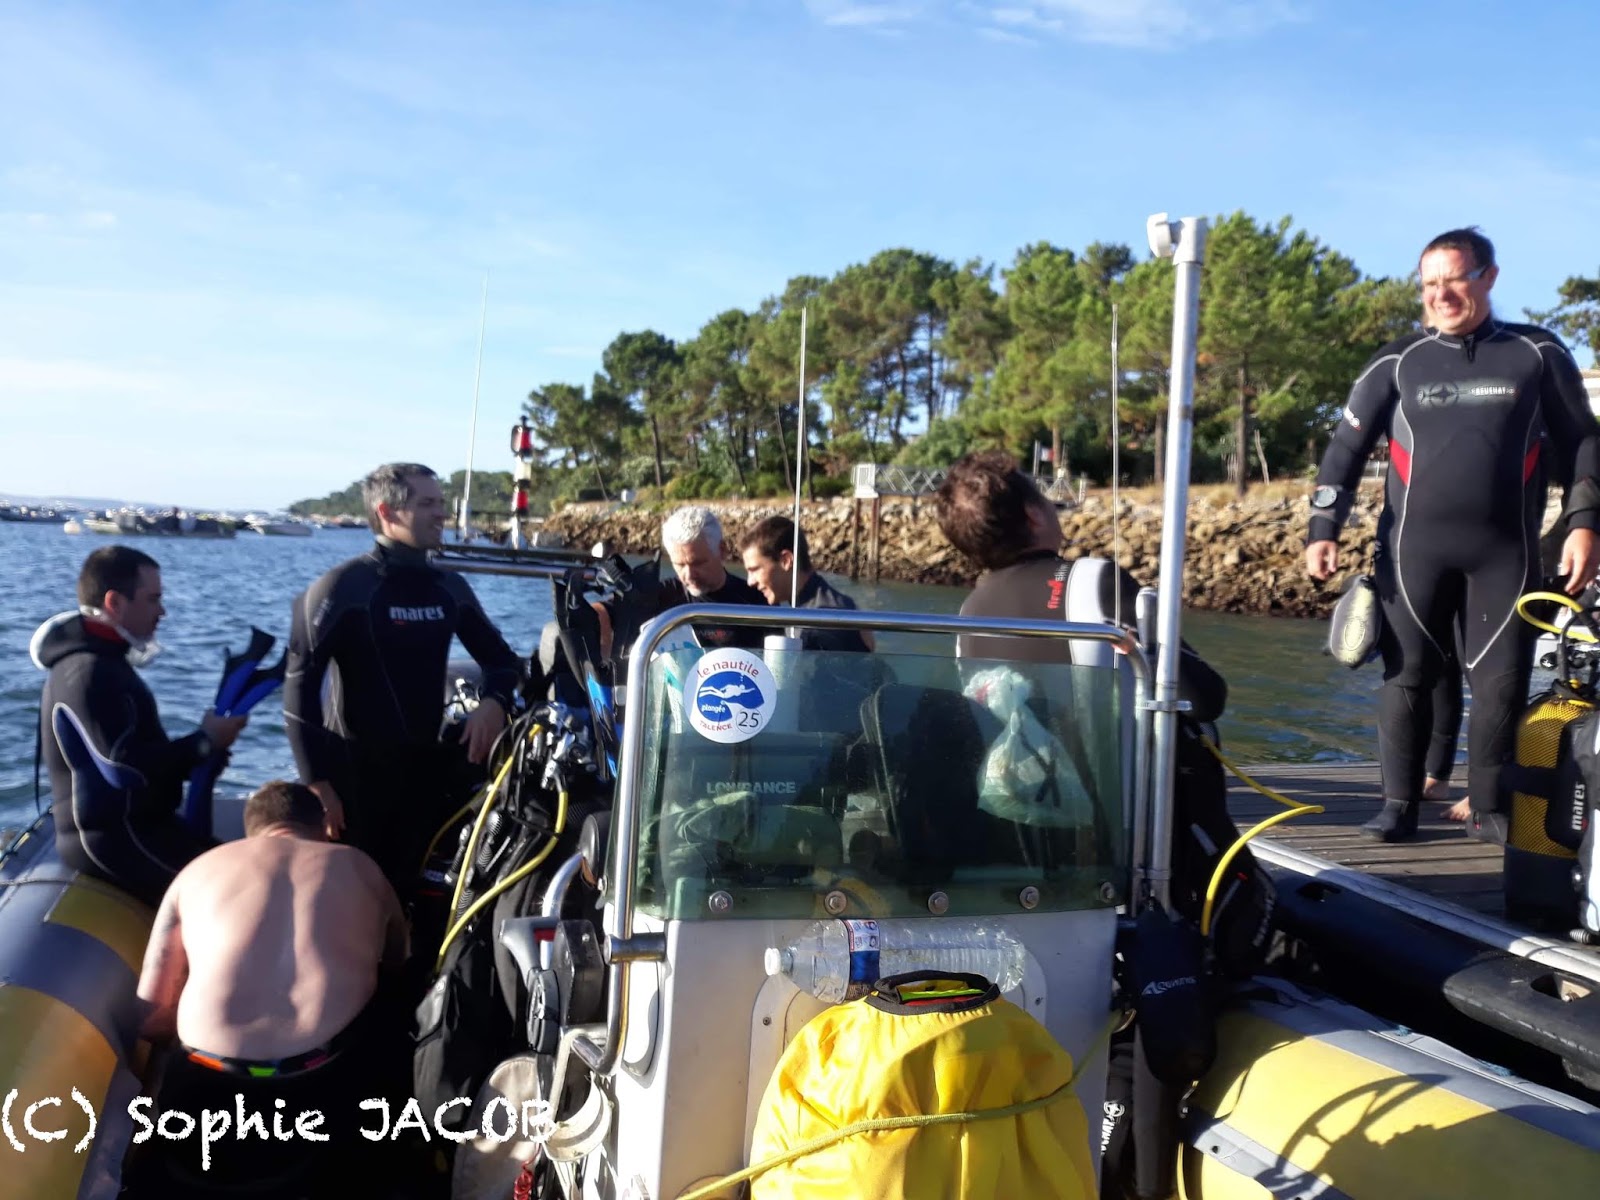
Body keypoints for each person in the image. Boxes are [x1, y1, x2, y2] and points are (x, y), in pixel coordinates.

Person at [1304, 227, 1600, 844]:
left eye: (1455, 279)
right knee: (1407, 673)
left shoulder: (1536, 352)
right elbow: (1344, 451)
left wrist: (1584, 525)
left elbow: (1583, 444)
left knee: (1500, 682)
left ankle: (1490, 810)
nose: (1441, 294)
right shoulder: (1399, 361)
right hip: (1413, 550)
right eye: (1429, 283)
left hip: (1505, 553)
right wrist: (1323, 528)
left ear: (1488, 278)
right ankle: (1398, 805)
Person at [134, 780, 408, 1184]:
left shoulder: (196, 872)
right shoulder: (361, 867)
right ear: (322, 827)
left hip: (208, 1087)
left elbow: (151, 1017)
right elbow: (399, 960)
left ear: (251, 832)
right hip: (325, 1088)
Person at [284, 462, 523, 896]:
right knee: (360, 901)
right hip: (354, 783)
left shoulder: (448, 587)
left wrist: (494, 703)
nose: (441, 514)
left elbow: (504, 662)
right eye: (427, 503)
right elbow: (299, 690)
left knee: (414, 900)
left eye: (440, 503)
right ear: (387, 512)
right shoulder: (343, 588)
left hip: (423, 776)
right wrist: (317, 783)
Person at [932, 450, 1226, 722]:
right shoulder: (1095, 581)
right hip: (1111, 763)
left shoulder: (967, 615)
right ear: (1034, 516)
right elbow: (1204, 698)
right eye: (1044, 497)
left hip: (1019, 763)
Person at [36, 546, 247, 908]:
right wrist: (205, 740)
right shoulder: (88, 672)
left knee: (245, 871)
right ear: (115, 602)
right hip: (113, 838)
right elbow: (123, 768)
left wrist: (204, 751)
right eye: (153, 599)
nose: (162, 611)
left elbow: (141, 757)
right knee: (236, 896)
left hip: (144, 826)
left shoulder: (106, 662)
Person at [593, 504, 768, 657]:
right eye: (680, 564)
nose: (689, 575)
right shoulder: (659, 595)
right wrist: (605, 666)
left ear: (722, 550)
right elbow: (598, 613)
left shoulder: (755, 599)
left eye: (698, 563)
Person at [738, 514, 875, 653]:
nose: (750, 582)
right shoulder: (821, 607)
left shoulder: (822, 623)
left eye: (755, 570)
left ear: (786, 560)